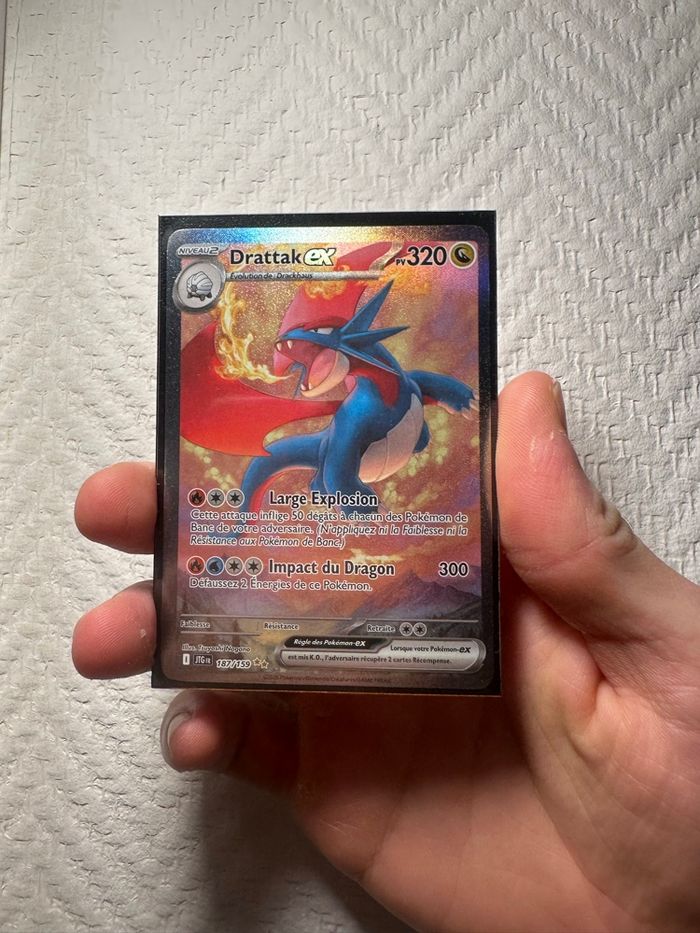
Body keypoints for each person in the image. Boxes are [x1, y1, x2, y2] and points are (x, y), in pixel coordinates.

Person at [72, 372, 700, 932]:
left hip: (466, 656)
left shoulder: (378, 392)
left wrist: (438, 401)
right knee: (250, 503)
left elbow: (389, 412)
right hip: (351, 484)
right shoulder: (350, 409)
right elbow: (327, 465)